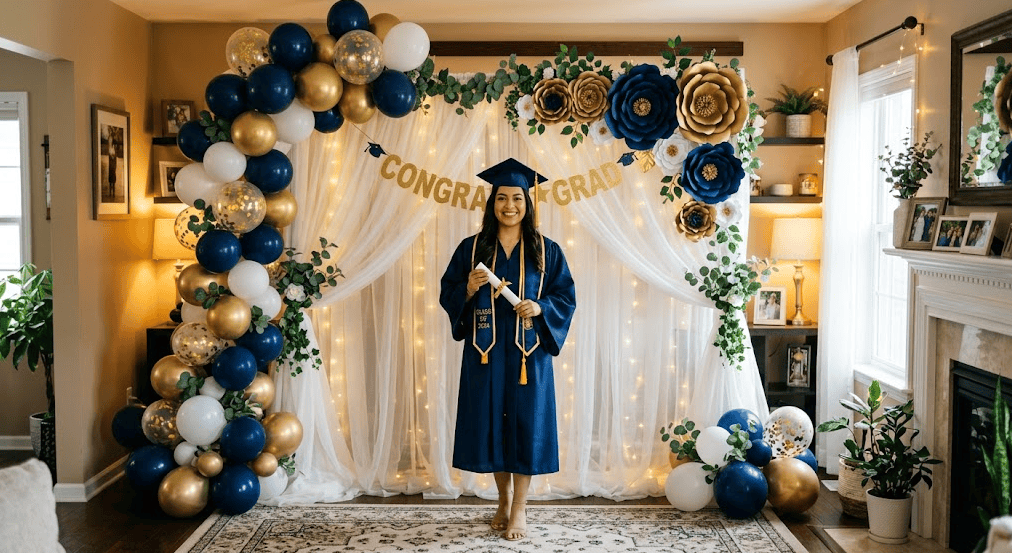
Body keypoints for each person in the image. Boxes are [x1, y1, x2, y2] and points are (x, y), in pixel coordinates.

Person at [439, 158, 576, 541]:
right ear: (492, 203)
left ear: (528, 204)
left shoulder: (546, 252)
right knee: (495, 427)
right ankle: (501, 500)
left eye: (518, 198)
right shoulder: (471, 250)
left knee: (525, 427)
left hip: (528, 356)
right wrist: (467, 288)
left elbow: (565, 296)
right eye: (502, 198)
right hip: (487, 354)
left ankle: (520, 508)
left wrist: (541, 306)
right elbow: (447, 292)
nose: (510, 205)